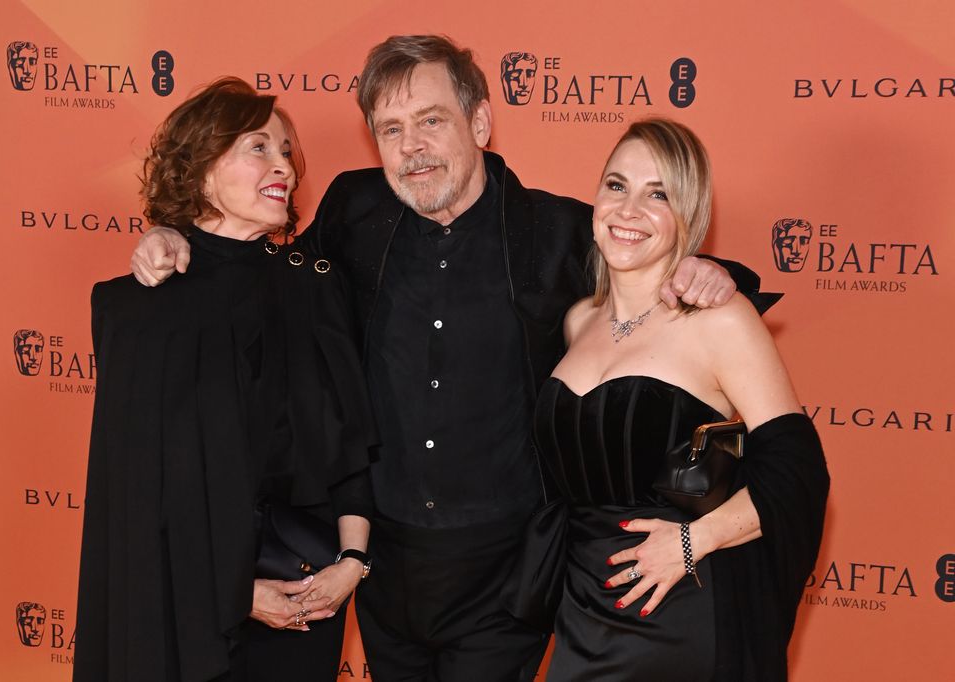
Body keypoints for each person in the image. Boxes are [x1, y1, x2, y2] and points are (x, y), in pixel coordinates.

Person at [129, 36, 765, 681]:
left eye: (431, 120)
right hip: (382, 563)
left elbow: (648, 257)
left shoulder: (558, 230)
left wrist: (706, 270)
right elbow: (264, 278)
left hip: (506, 569)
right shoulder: (354, 210)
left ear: (480, 123)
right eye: (391, 129)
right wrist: (171, 235)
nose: (412, 147)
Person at [73, 77, 376, 682]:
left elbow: (349, 448)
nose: (283, 166)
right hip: (181, 606)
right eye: (258, 147)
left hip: (307, 591)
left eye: (287, 151)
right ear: (201, 168)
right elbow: (140, 496)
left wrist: (352, 563)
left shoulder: (316, 284)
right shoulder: (138, 308)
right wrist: (234, 592)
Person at [535, 118, 829, 680]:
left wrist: (694, 542)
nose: (628, 210)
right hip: (582, 609)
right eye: (617, 186)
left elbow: (798, 473)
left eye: (658, 195)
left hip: (682, 611)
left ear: (688, 217)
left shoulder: (721, 321)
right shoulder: (576, 322)